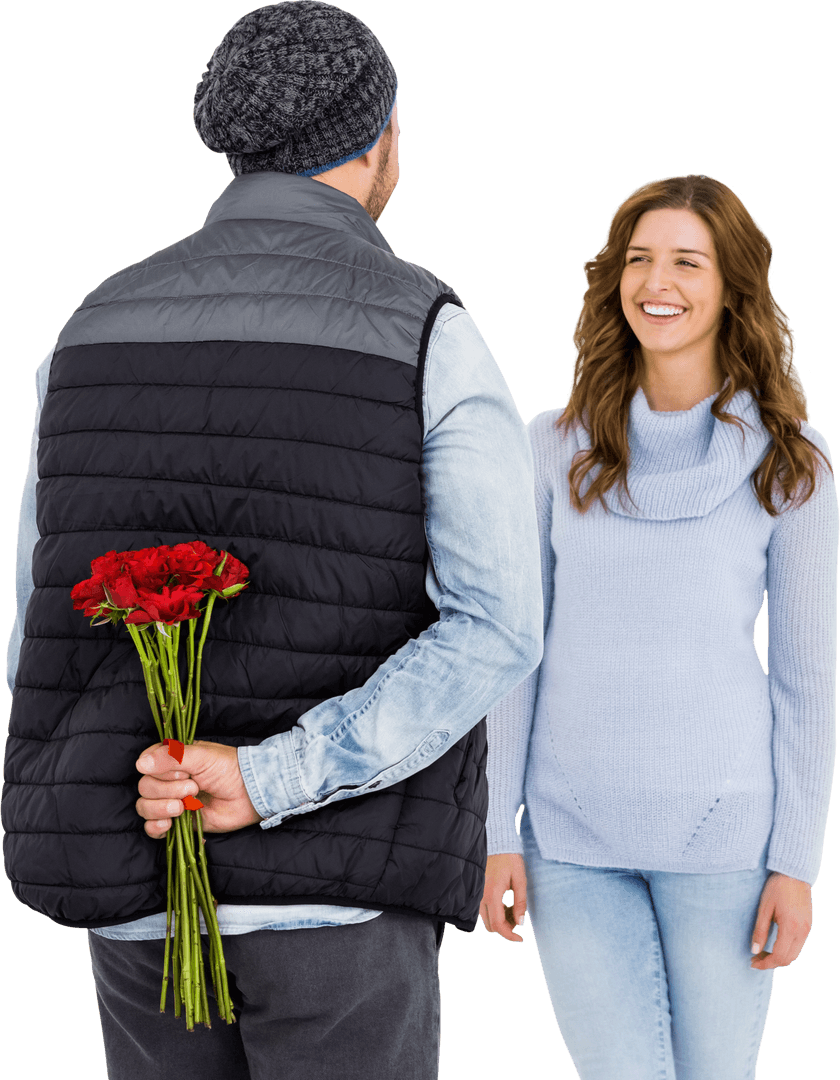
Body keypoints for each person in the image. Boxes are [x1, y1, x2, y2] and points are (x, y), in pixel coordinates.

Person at [1, 4, 543, 1079]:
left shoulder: (88, 328)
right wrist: (272, 777)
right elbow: (497, 626)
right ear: (381, 130)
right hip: (337, 914)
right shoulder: (426, 328)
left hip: (139, 898)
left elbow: (38, 625)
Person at [480, 174, 837, 1079]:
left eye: (687, 260)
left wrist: (796, 862)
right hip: (570, 844)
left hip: (725, 846)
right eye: (640, 260)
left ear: (732, 289)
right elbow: (515, 655)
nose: (657, 282)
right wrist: (497, 833)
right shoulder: (551, 447)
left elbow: (806, 678)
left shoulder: (792, 462)